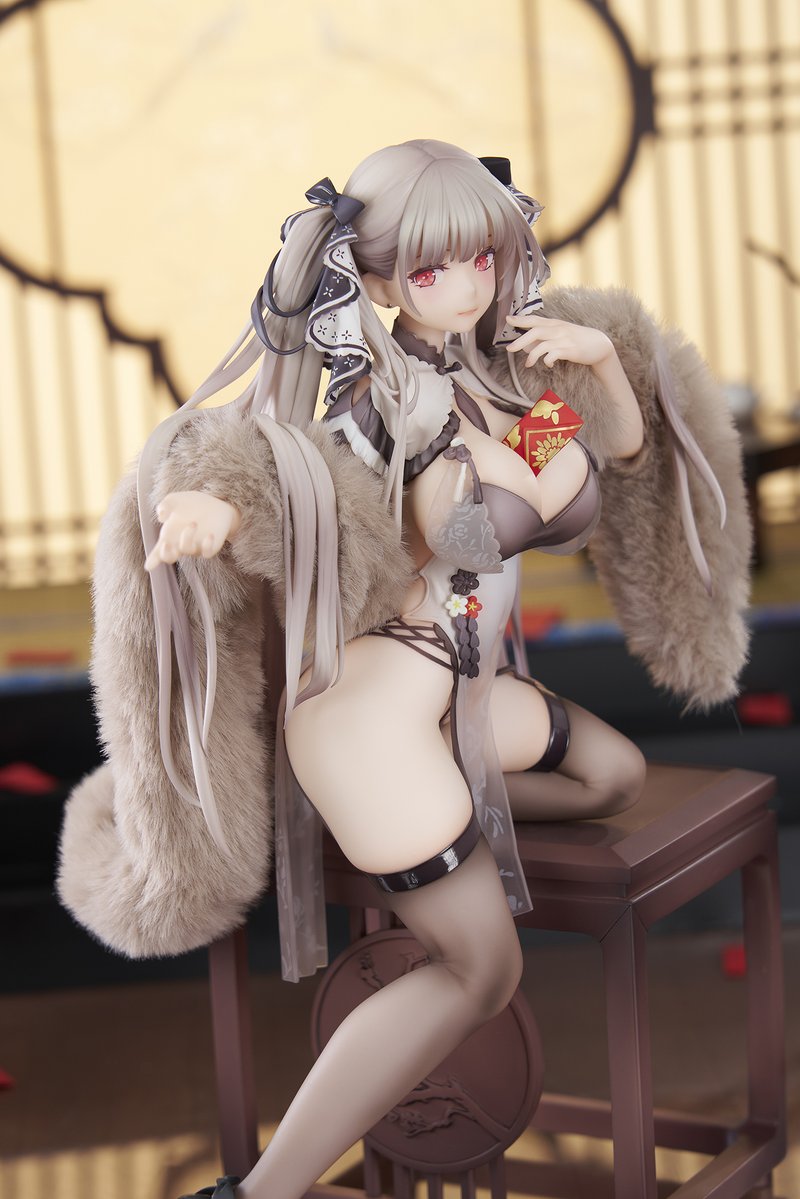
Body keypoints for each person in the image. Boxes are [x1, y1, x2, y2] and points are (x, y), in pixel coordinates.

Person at [139, 140, 648, 1199]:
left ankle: (444, 817)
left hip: (457, 700)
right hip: (375, 713)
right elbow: (306, 486)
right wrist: (217, 511)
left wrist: (596, 362)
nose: (465, 286)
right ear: (376, 285)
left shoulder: (500, 384)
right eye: (429, 269)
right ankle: (260, 1191)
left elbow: (619, 451)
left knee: (614, 773)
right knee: (481, 969)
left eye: (481, 257)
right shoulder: (378, 405)